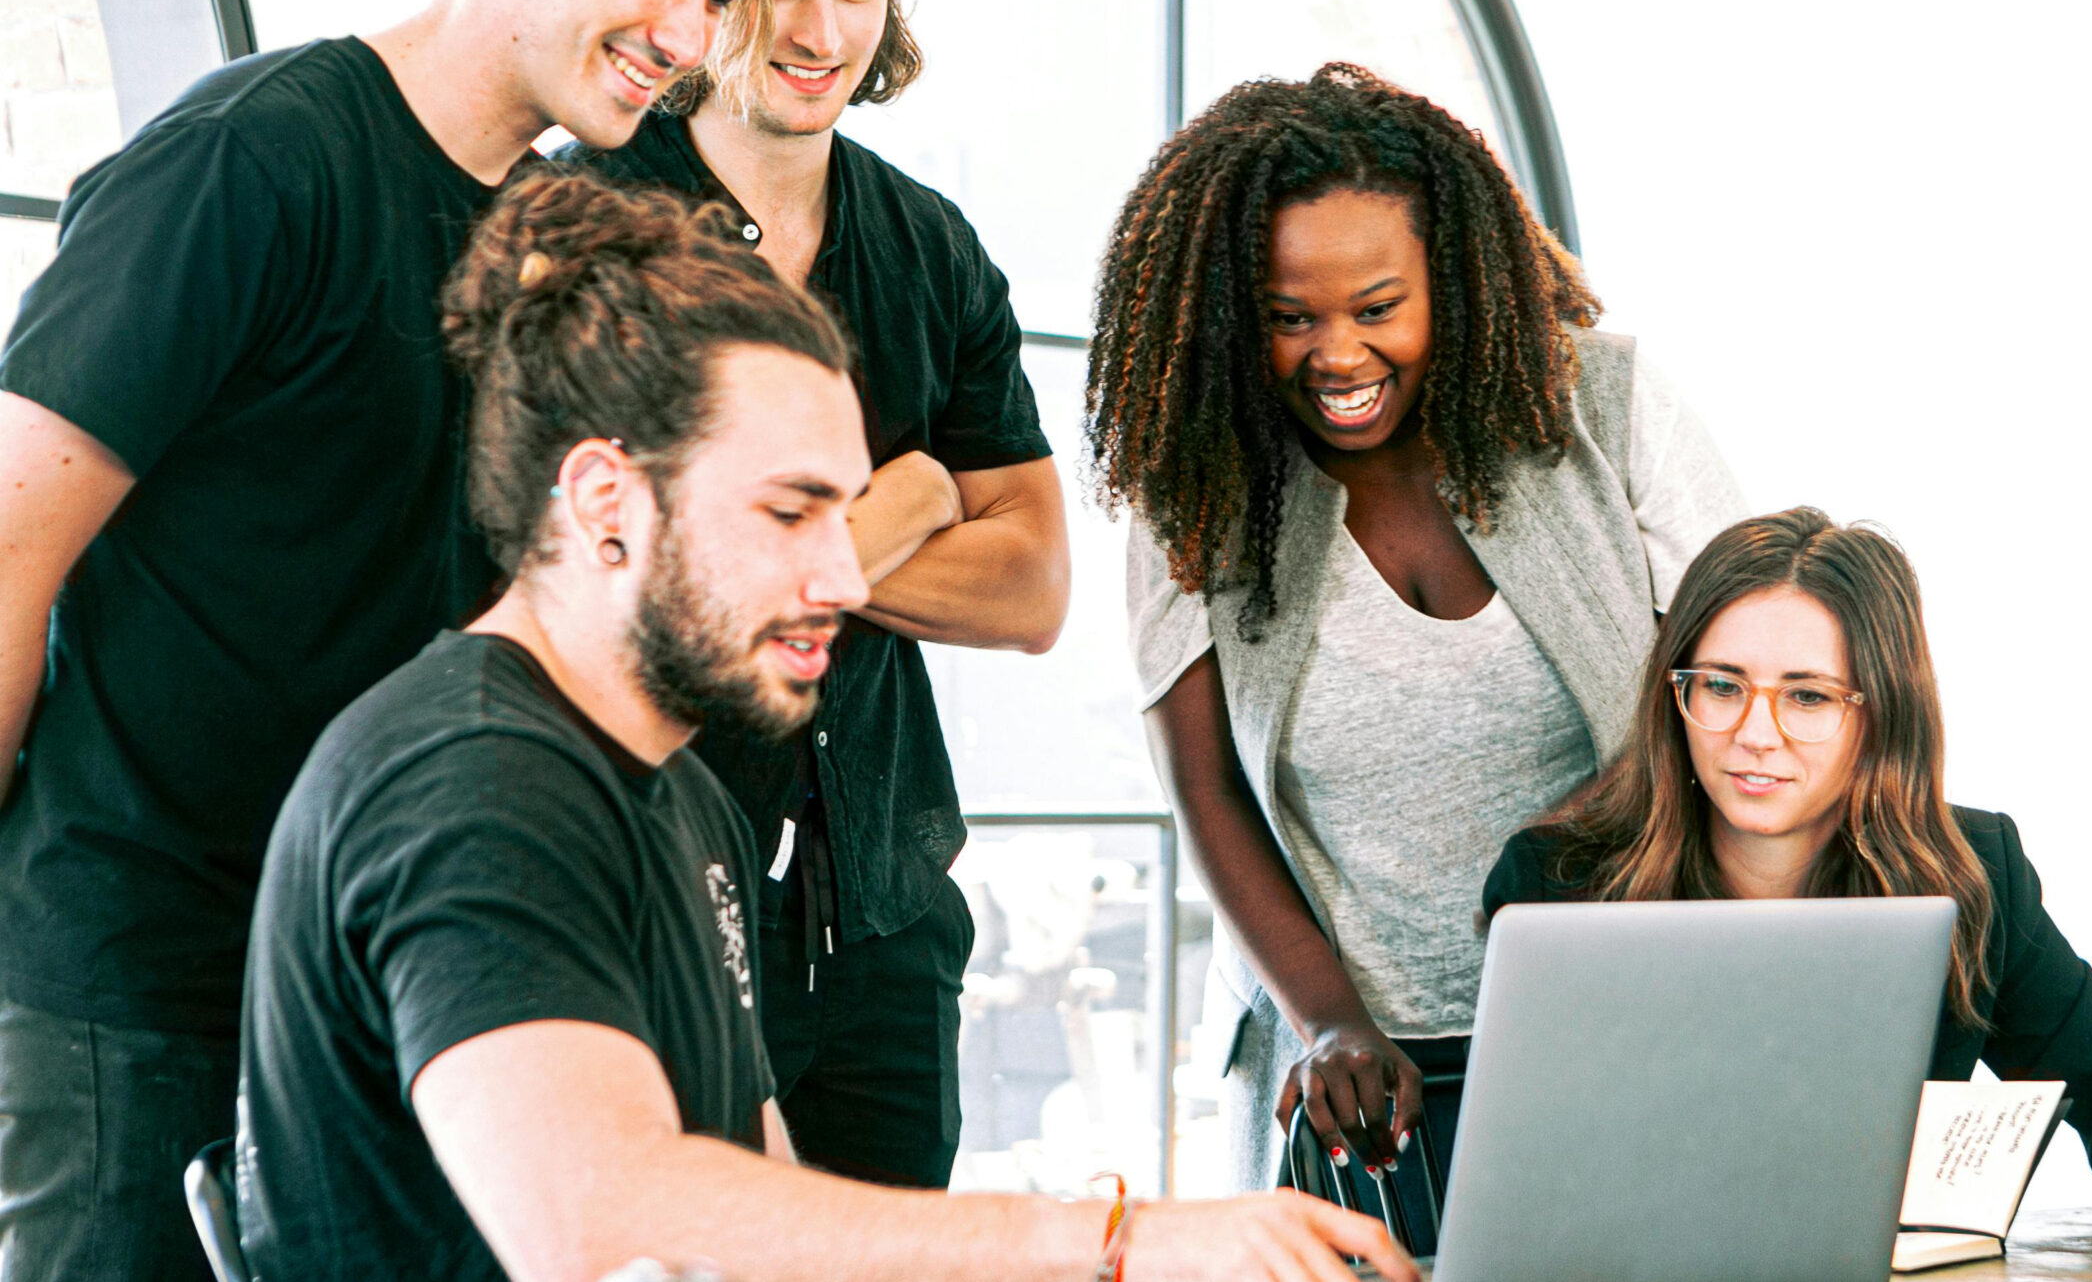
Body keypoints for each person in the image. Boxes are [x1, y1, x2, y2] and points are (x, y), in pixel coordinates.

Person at [236, 170, 1409, 1282]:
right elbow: (601, 1221)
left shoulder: (681, 792)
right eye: (791, 512)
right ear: (605, 500)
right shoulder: (472, 784)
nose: (845, 578)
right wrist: (1110, 1240)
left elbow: (762, 1204)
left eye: (843, 515)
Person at [0, 0, 752, 1273]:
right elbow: (8, 541)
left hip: (383, 983)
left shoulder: (555, 236)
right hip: (146, 983)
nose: (690, 37)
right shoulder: (250, 162)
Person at [1091, 63, 1749, 1191]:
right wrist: (1331, 1024)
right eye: (1289, 318)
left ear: (1452, 278)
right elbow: (1206, 793)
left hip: (1620, 1020)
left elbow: (1734, 697)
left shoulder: (1606, 406)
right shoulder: (1194, 485)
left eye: (1377, 308)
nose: (1336, 357)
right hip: (1350, 1073)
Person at [562, 0, 1069, 1188]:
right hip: (651, 908)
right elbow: (600, 565)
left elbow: (1032, 585)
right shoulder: (584, 225)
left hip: (885, 920)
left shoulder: (930, 245)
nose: (818, 31)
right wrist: (903, 504)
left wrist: (768, 546)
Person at [1482, 506, 2092, 1243]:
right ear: (1676, 697)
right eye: (1722, 686)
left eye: (1807, 698)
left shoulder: (1972, 876)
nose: (1754, 733)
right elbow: (1521, 1173)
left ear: (1880, 714)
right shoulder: (1560, 884)